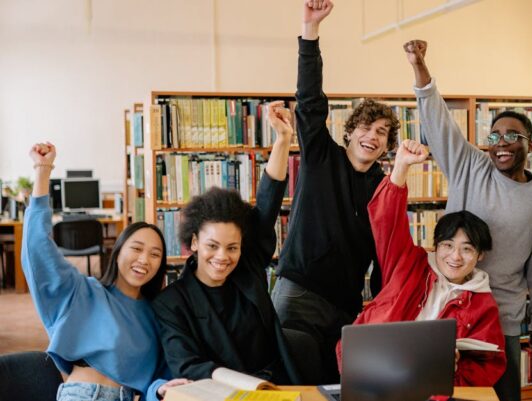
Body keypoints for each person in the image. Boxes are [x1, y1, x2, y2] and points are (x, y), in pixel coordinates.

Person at [404, 40, 532, 401]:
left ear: (530, 144)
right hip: (451, 308)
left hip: (501, 317)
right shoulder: (470, 166)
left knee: (502, 397)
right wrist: (420, 67)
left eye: (512, 136)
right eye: (494, 136)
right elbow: (438, 121)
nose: (501, 143)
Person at [270, 0, 401, 383]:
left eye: (381, 132)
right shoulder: (321, 155)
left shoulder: (384, 187)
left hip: (346, 306)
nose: (372, 136)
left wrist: (380, 309)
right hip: (298, 294)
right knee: (289, 384)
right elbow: (310, 101)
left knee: (336, 387)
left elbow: (386, 253)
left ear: (387, 144)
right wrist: (310, 32)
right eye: (366, 127)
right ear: (350, 131)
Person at [22, 142, 187, 401]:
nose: (144, 259)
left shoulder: (156, 315)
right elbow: (37, 248)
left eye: (155, 254)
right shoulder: (84, 291)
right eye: (136, 248)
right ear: (117, 251)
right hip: (83, 394)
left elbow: (157, 379)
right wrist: (42, 170)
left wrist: (158, 389)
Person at [151, 101, 302, 383]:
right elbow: (184, 364)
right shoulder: (171, 303)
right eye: (212, 245)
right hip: (218, 392)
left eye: (232, 247)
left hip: (277, 387)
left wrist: (283, 140)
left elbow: (268, 203)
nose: (222, 257)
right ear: (194, 242)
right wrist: (241, 381)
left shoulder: (248, 269)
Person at [336, 139, 506, 385]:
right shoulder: (408, 263)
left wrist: (453, 372)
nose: (455, 257)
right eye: (447, 246)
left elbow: (489, 365)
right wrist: (402, 166)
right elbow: (387, 221)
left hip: (430, 387)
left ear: (480, 255)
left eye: (467, 249)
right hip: (372, 372)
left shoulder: (483, 303)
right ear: (435, 246)